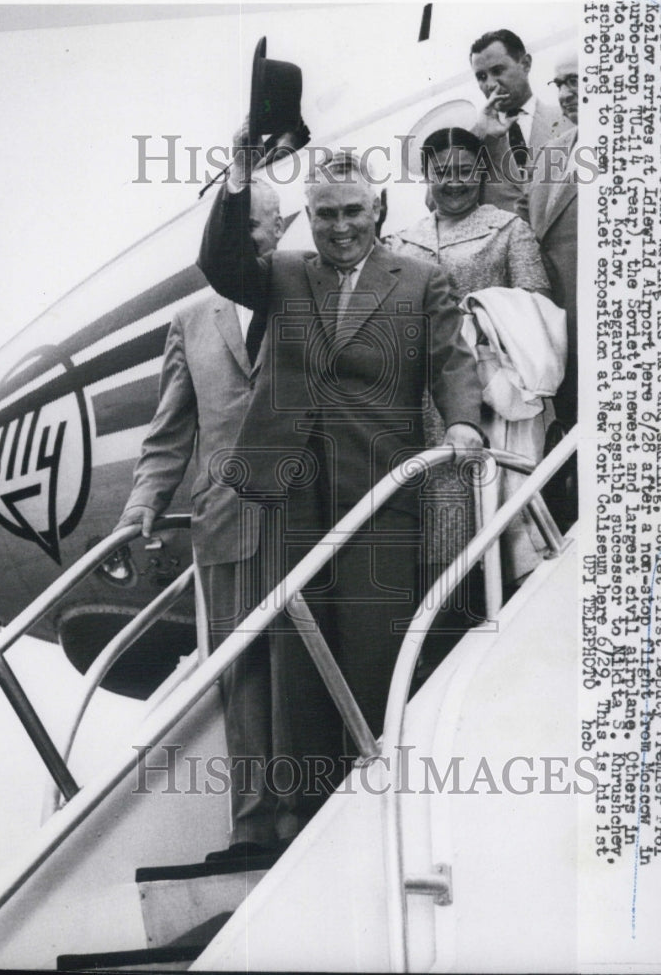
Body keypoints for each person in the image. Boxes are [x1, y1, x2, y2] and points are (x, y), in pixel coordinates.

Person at [198, 128, 484, 844]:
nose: (341, 226)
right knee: (297, 661)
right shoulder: (283, 273)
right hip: (292, 492)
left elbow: (451, 360)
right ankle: (305, 823)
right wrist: (239, 172)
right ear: (309, 217)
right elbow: (220, 262)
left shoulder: (419, 279)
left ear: (378, 209)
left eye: (353, 210)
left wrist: (462, 424)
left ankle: (375, 817)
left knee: (373, 652)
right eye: (325, 214)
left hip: (380, 494)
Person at [114, 179, 285, 860]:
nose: (248, 238)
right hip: (224, 518)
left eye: (259, 225)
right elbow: (169, 433)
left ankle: (305, 811)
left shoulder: (305, 296)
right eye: (234, 227)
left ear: (281, 229)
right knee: (240, 669)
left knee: (300, 661)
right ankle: (252, 824)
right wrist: (141, 506)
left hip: (303, 511)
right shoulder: (189, 322)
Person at [385, 126, 552, 644]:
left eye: (465, 171)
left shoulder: (508, 228)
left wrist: (477, 318)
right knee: (423, 516)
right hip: (415, 399)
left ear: (482, 173)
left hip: (486, 397)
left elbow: (537, 307)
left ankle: (487, 626)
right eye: (443, 172)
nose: (454, 182)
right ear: (427, 175)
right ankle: (433, 638)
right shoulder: (402, 239)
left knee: (479, 512)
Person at [527, 52, 579, 430]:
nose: (564, 94)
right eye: (559, 84)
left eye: (575, 81)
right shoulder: (551, 152)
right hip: (557, 331)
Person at [470, 29, 572, 214]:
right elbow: (437, 204)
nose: (490, 84)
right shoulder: (475, 138)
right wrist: (480, 138)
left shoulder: (570, 121)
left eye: (497, 71)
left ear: (525, 64)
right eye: (481, 77)